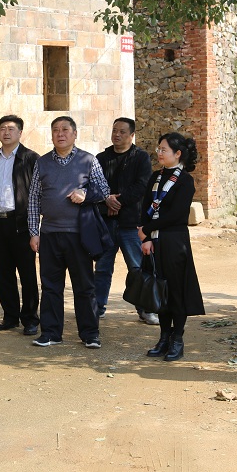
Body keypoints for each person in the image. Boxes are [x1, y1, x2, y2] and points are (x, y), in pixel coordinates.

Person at [28, 116, 110, 348]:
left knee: (84, 286)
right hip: (50, 233)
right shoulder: (42, 163)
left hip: (79, 235)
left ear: (75, 134)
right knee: (51, 285)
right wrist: (34, 231)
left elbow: (104, 190)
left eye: (65, 130)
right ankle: (51, 333)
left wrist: (85, 193)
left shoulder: (88, 160)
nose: (60, 134)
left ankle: (90, 334)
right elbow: (34, 198)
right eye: (55, 130)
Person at [139, 132, 204, 361]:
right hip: (154, 240)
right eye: (158, 149)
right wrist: (145, 236)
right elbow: (145, 206)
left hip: (174, 240)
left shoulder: (184, 180)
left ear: (178, 154)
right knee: (161, 289)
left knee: (175, 290)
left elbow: (177, 215)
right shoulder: (156, 176)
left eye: (164, 150)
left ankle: (177, 338)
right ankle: (164, 336)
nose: (159, 153)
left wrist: (147, 229)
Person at [0, 115, 41, 335]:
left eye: (11, 129)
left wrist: (34, 226)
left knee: (27, 273)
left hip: (21, 225)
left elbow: (36, 193)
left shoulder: (30, 158)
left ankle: (30, 318)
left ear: (20, 133)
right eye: (2, 128)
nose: (6, 132)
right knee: (3, 272)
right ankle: (10, 316)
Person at [94, 118, 154, 322]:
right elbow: (94, 184)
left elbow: (142, 185)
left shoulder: (141, 158)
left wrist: (117, 202)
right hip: (106, 222)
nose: (116, 135)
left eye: (121, 131)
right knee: (102, 267)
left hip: (131, 222)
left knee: (137, 267)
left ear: (131, 135)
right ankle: (97, 307)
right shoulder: (101, 158)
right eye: (114, 130)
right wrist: (107, 200)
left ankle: (145, 309)